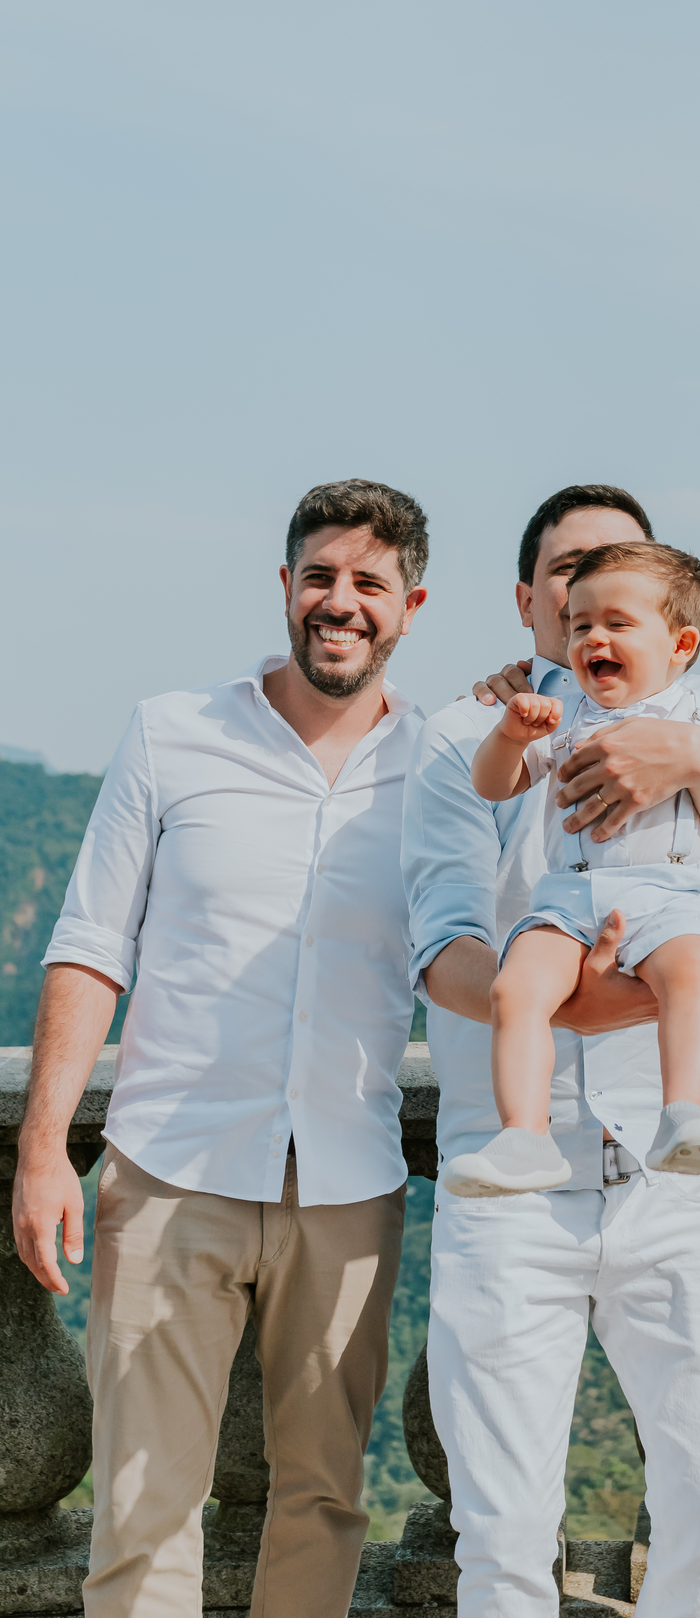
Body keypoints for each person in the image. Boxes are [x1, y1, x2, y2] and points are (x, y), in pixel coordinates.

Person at [12, 480, 430, 1618]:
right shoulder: (172, 731)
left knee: (324, 1499)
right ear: (286, 586)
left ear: (410, 606)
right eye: (320, 575)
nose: (341, 601)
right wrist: (45, 1149)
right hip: (170, 1170)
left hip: (347, 1183)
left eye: (369, 582)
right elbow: (91, 944)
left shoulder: (445, 765)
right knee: (142, 1508)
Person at [401, 484, 700, 1618]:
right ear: (532, 598)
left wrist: (694, 758)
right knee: (501, 1532)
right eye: (571, 574)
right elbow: (440, 945)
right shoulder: (462, 738)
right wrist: (578, 1003)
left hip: (664, 1179)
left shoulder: (693, 722)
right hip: (507, 1180)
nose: (591, 599)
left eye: (621, 575)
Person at [448, 539, 700, 1196]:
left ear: (680, 645)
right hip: (569, 897)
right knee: (515, 988)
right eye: (580, 625)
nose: (592, 639)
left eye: (617, 623)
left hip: (671, 893)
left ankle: (682, 1113)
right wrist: (511, 737)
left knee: (692, 971)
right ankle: (525, 1135)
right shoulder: (563, 713)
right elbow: (495, 784)